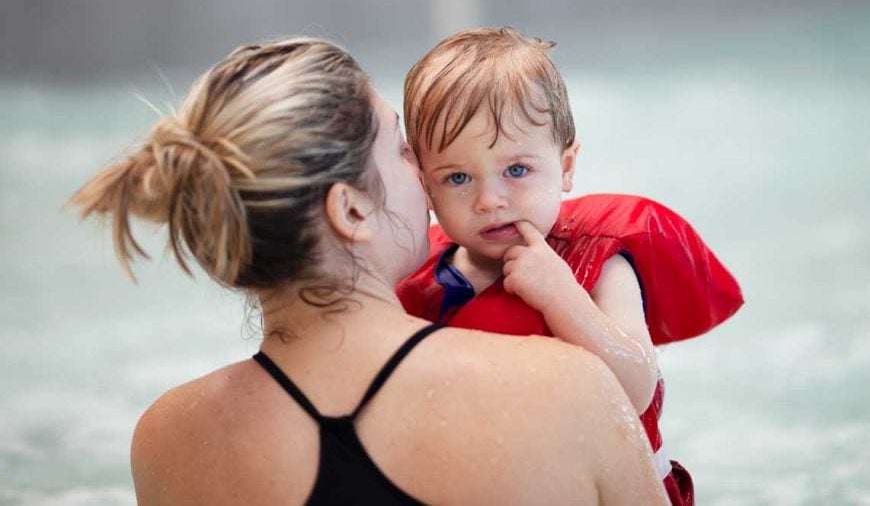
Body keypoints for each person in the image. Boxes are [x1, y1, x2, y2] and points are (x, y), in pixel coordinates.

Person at [70, 38, 669, 505]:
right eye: (403, 149)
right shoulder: (569, 390)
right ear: (350, 208)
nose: (428, 173)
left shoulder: (168, 442)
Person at [398, 28, 744, 506]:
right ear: (424, 187)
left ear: (565, 167)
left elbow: (636, 388)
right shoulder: (419, 287)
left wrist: (563, 299)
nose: (488, 200)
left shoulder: (599, 263)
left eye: (516, 170)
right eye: (457, 177)